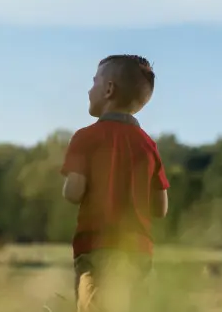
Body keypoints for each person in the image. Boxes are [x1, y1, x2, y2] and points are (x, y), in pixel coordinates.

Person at [60, 54, 170, 312]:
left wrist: (69, 185)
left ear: (108, 89)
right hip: (140, 252)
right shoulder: (148, 145)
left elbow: (74, 192)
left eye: (94, 82)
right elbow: (160, 209)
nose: (89, 90)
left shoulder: (85, 138)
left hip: (97, 248)